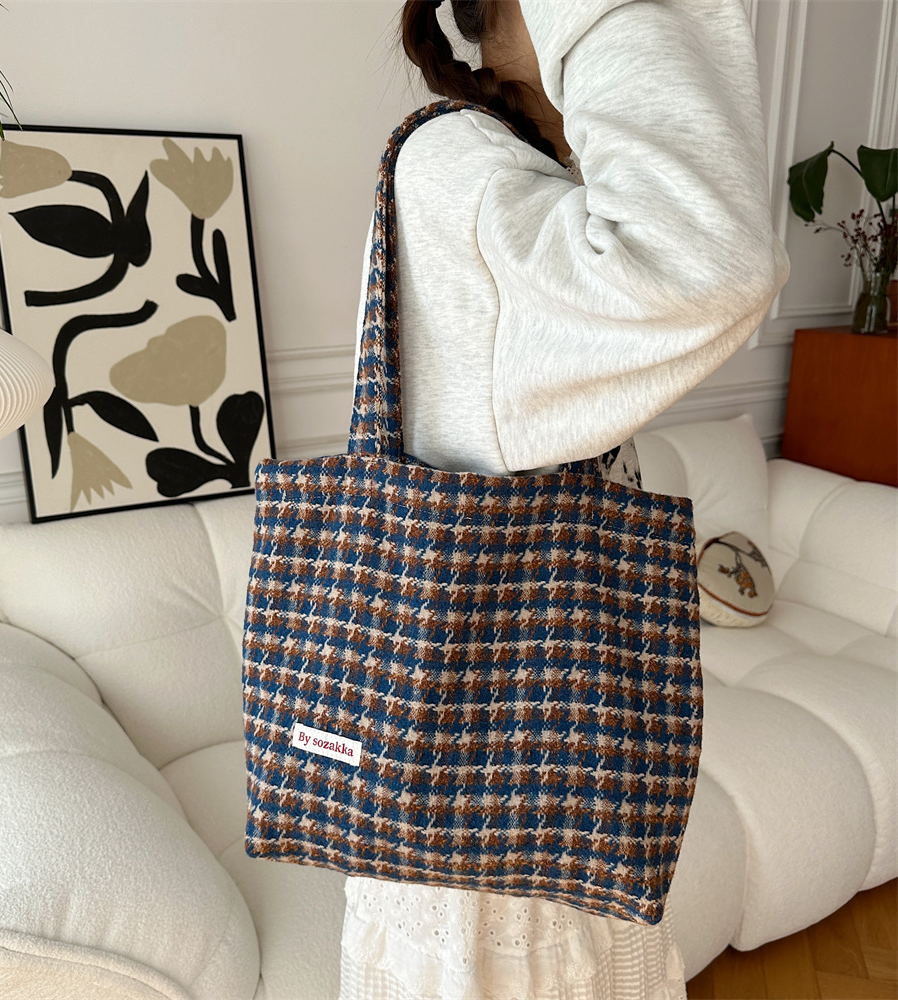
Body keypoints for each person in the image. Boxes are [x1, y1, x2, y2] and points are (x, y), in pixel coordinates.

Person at [337, 1, 790, 998]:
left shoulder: (520, 175)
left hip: (540, 751)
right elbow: (707, 262)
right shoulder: (456, 168)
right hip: (489, 794)